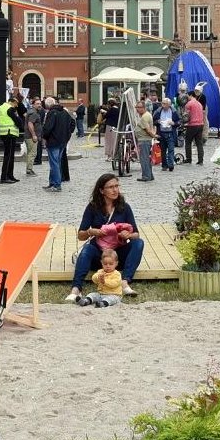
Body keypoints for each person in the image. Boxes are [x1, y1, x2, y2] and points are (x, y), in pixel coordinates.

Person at [65, 174, 143, 302]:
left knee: (138, 243)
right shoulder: (93, 207)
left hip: (117, 256)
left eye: (117, 186)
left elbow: (136, 233)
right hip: (100, 257)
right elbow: (80, 235)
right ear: (102, 190)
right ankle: (76, 289)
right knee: (87, 250)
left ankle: (124, 283)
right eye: (111, 187)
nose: (115, 190)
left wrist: (128, 235)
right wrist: (91, 231)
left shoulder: (124, 207)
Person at [42, 95, 76, 193]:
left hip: (53, 141)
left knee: (54, 163)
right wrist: (68, 135)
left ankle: (56, 184)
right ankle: (52, 183)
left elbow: (48, 128)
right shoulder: (64, 112)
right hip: (63, 141)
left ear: (47, 106)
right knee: (57, 162)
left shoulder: (52, 113)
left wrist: (44, 136)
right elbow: (72, 123)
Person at [0, 93, 21, 184]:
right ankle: (5, 177)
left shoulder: (0, 108)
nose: (16, 106)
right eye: (16, 103)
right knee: (9, 156)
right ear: (11, 102)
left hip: (3, 133)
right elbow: (18, 122)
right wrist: (18, 116)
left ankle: (9, 175)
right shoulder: (10, 109)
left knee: (8, 155)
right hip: (10, 133)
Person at [131, 99, 156, 182]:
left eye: (139, 107)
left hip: (144, 140)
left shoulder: (144, 117)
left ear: (143, 107)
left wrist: (154, 136)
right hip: (145, 140)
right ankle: (150, 175)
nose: (137, 109)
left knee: (144, 159)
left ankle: (146, 176)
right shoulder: (146, 115)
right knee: (146, 158)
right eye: (136, 107)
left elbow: (148, 130)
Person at [155, 97, 178, 172]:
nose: (163, 105)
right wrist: (157, 121)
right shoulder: (158, 111)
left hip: (170, 133)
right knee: (163, 150)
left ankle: (171, 165)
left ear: (169, 105)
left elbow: (179, 121)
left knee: (171, 149)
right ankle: (164, 165)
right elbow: (153, 120)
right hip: (161, 133)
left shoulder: (174, 111)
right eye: (162, 103)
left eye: (165, 104)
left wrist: (173, 123)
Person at [183, 92, 207, 164]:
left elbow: (186, 116)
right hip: (200, 124)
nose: (187, 97)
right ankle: (200, 160)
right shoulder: (199, 104)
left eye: (187, 96)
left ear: (191, 96)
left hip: (192, 125)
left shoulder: (189, 104)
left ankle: (188, 159)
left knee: (188, 142)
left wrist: (183, 122)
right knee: (199, 143)